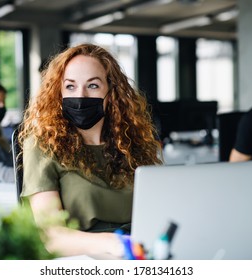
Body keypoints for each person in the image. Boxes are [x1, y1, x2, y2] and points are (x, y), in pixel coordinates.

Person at [19, 43, 162, 257]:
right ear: (59, 92)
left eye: (93, 85)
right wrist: (113, 243)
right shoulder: (42, 144)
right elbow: (51, 236)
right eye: (70, 86)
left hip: (140, 252)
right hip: (82, 259)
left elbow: (157, 211)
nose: (81, 95)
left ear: (111, 92)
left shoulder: (135, 143)